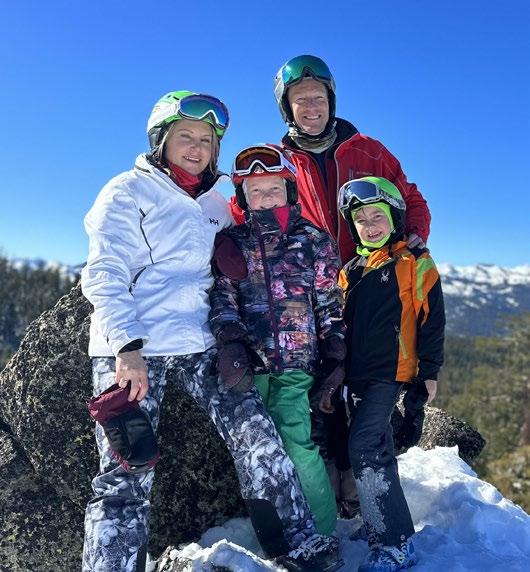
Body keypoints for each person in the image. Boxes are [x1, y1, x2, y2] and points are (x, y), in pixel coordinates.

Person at [81, 92, 341, 572]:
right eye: (186, 137)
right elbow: (103, 273)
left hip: (203, 344)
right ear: (161, 141)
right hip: (134, 346)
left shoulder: (219, 197)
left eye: (206, 140)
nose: (197, 148)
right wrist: (126, 347)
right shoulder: (127, 192)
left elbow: (263, 222)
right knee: (126, 470)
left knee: (258, 437)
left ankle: (297, 542)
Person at [209, 144, 346, 539]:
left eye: (273, 188)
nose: (265, 198)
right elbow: (223, 296)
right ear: (242, 198)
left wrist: (336, 351)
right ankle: (275, 535)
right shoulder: (233, 242)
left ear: (289, 190)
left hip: (297, 363)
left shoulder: (312, 240)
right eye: (255, 191)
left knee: (296, 442)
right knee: (257, 451)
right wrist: (230, 341)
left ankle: (322, 533)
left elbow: (329, 302)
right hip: (251, 363)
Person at [334, 176, 445, 571]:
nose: (369, 225)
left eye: (377, 216)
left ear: (395, 217)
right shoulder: (350, 270)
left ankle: (396, 543)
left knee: (365, 446)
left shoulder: (413, 262)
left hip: (391, 372)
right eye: (360, 219)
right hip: (355, 375)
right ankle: (382, 522)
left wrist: (429, 371)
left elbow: (432, 318)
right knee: (373, 446)